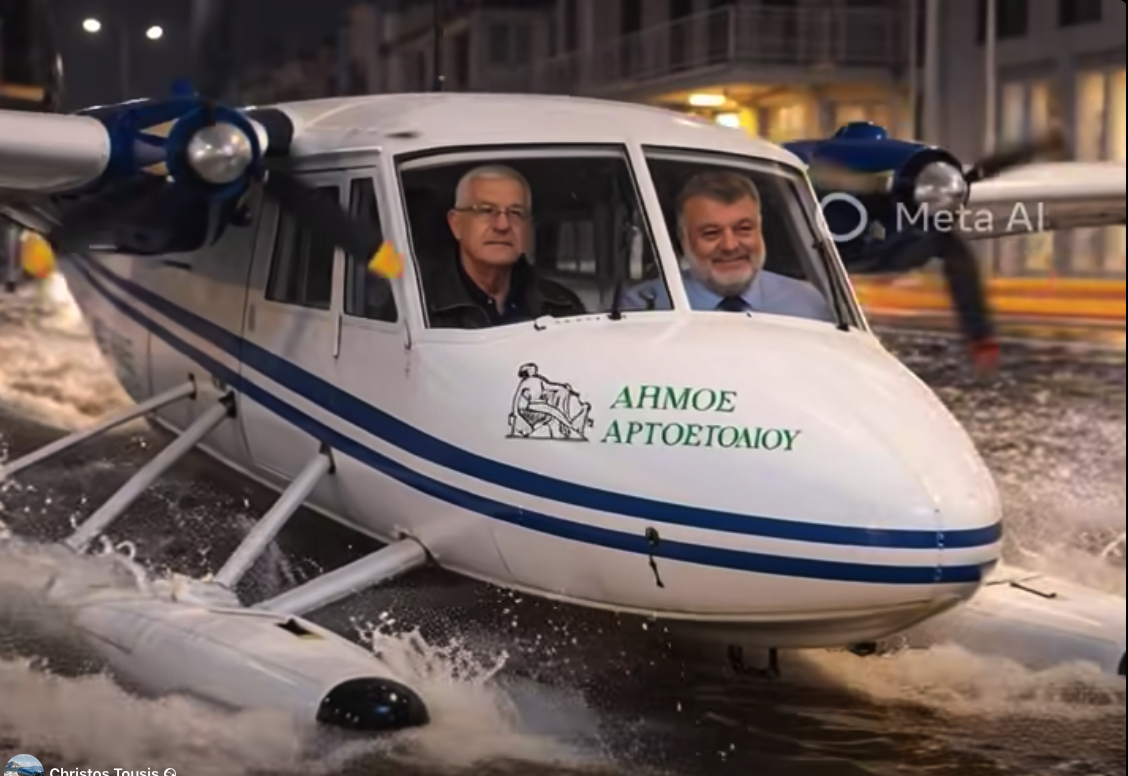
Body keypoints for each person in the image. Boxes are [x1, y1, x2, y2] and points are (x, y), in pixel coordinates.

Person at [621, 170, 832, 320]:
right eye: (711, 233)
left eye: (743, 229)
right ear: (683, 239)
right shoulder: (645, 305)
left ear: (760, 229)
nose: (730, 246)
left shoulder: (807, 303)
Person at [423, 164, 585, 328]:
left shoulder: (561, 305)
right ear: (456, 224)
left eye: (515, 213)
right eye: (486, 211)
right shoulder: (420, 305)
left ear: (527, 228)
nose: (503, 225)